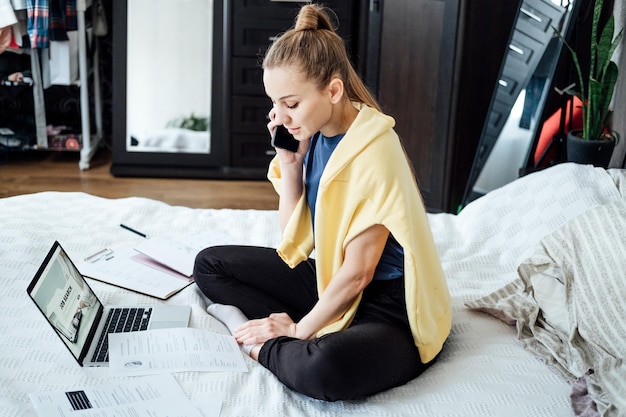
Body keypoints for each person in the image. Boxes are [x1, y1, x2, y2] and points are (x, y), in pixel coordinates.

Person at [194, 4, 451, 402]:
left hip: (388, 308)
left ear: (333, 90)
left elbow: (359, 274)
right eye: (275, 104)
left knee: (324, 368)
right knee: (210, 265)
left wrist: (299, 330)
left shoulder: (373, 149)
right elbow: (293, 241)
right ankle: (284, 329)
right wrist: (291, 164)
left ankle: (262, 343)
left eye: (291, 104)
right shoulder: (314, 135)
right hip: (329, 280)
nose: (282, 116)